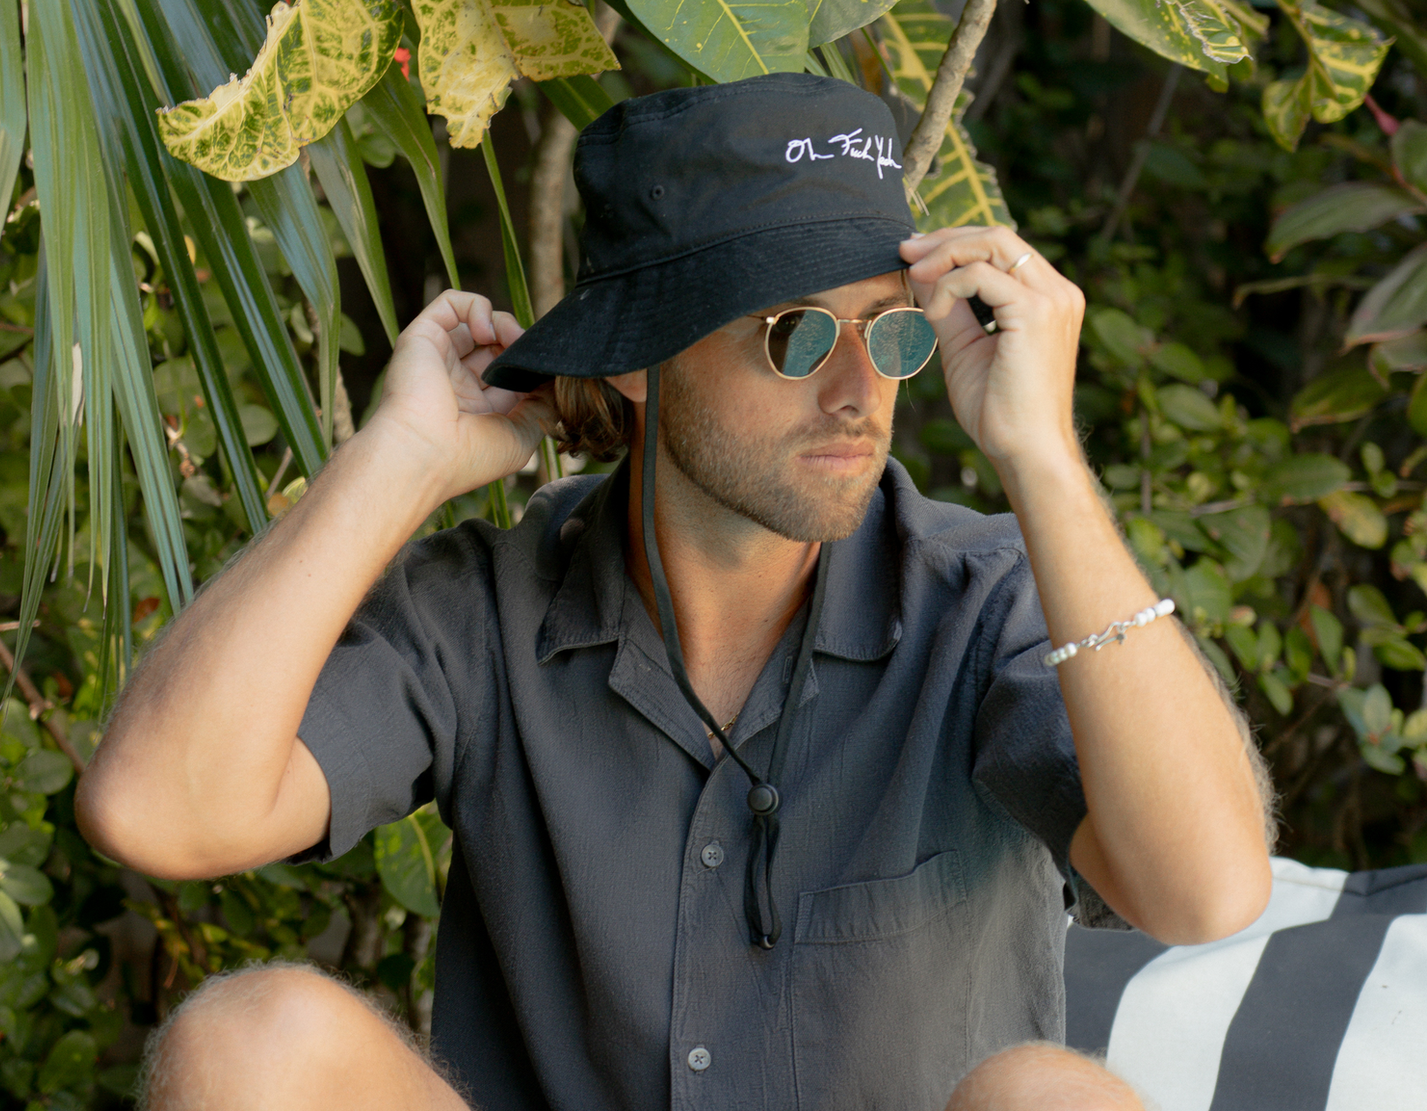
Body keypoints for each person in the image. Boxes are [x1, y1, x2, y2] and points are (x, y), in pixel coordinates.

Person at [77, 74, 1272, 1111]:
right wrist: (398, 462)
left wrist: (1042, 460)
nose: (857, 391)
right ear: (640, 359)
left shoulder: (978, 600)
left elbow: (1205, 891)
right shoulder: (487, 613)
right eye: (796, 335)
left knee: (1050, 1097)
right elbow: (158, 811)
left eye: (890, 334)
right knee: (250, 1040)